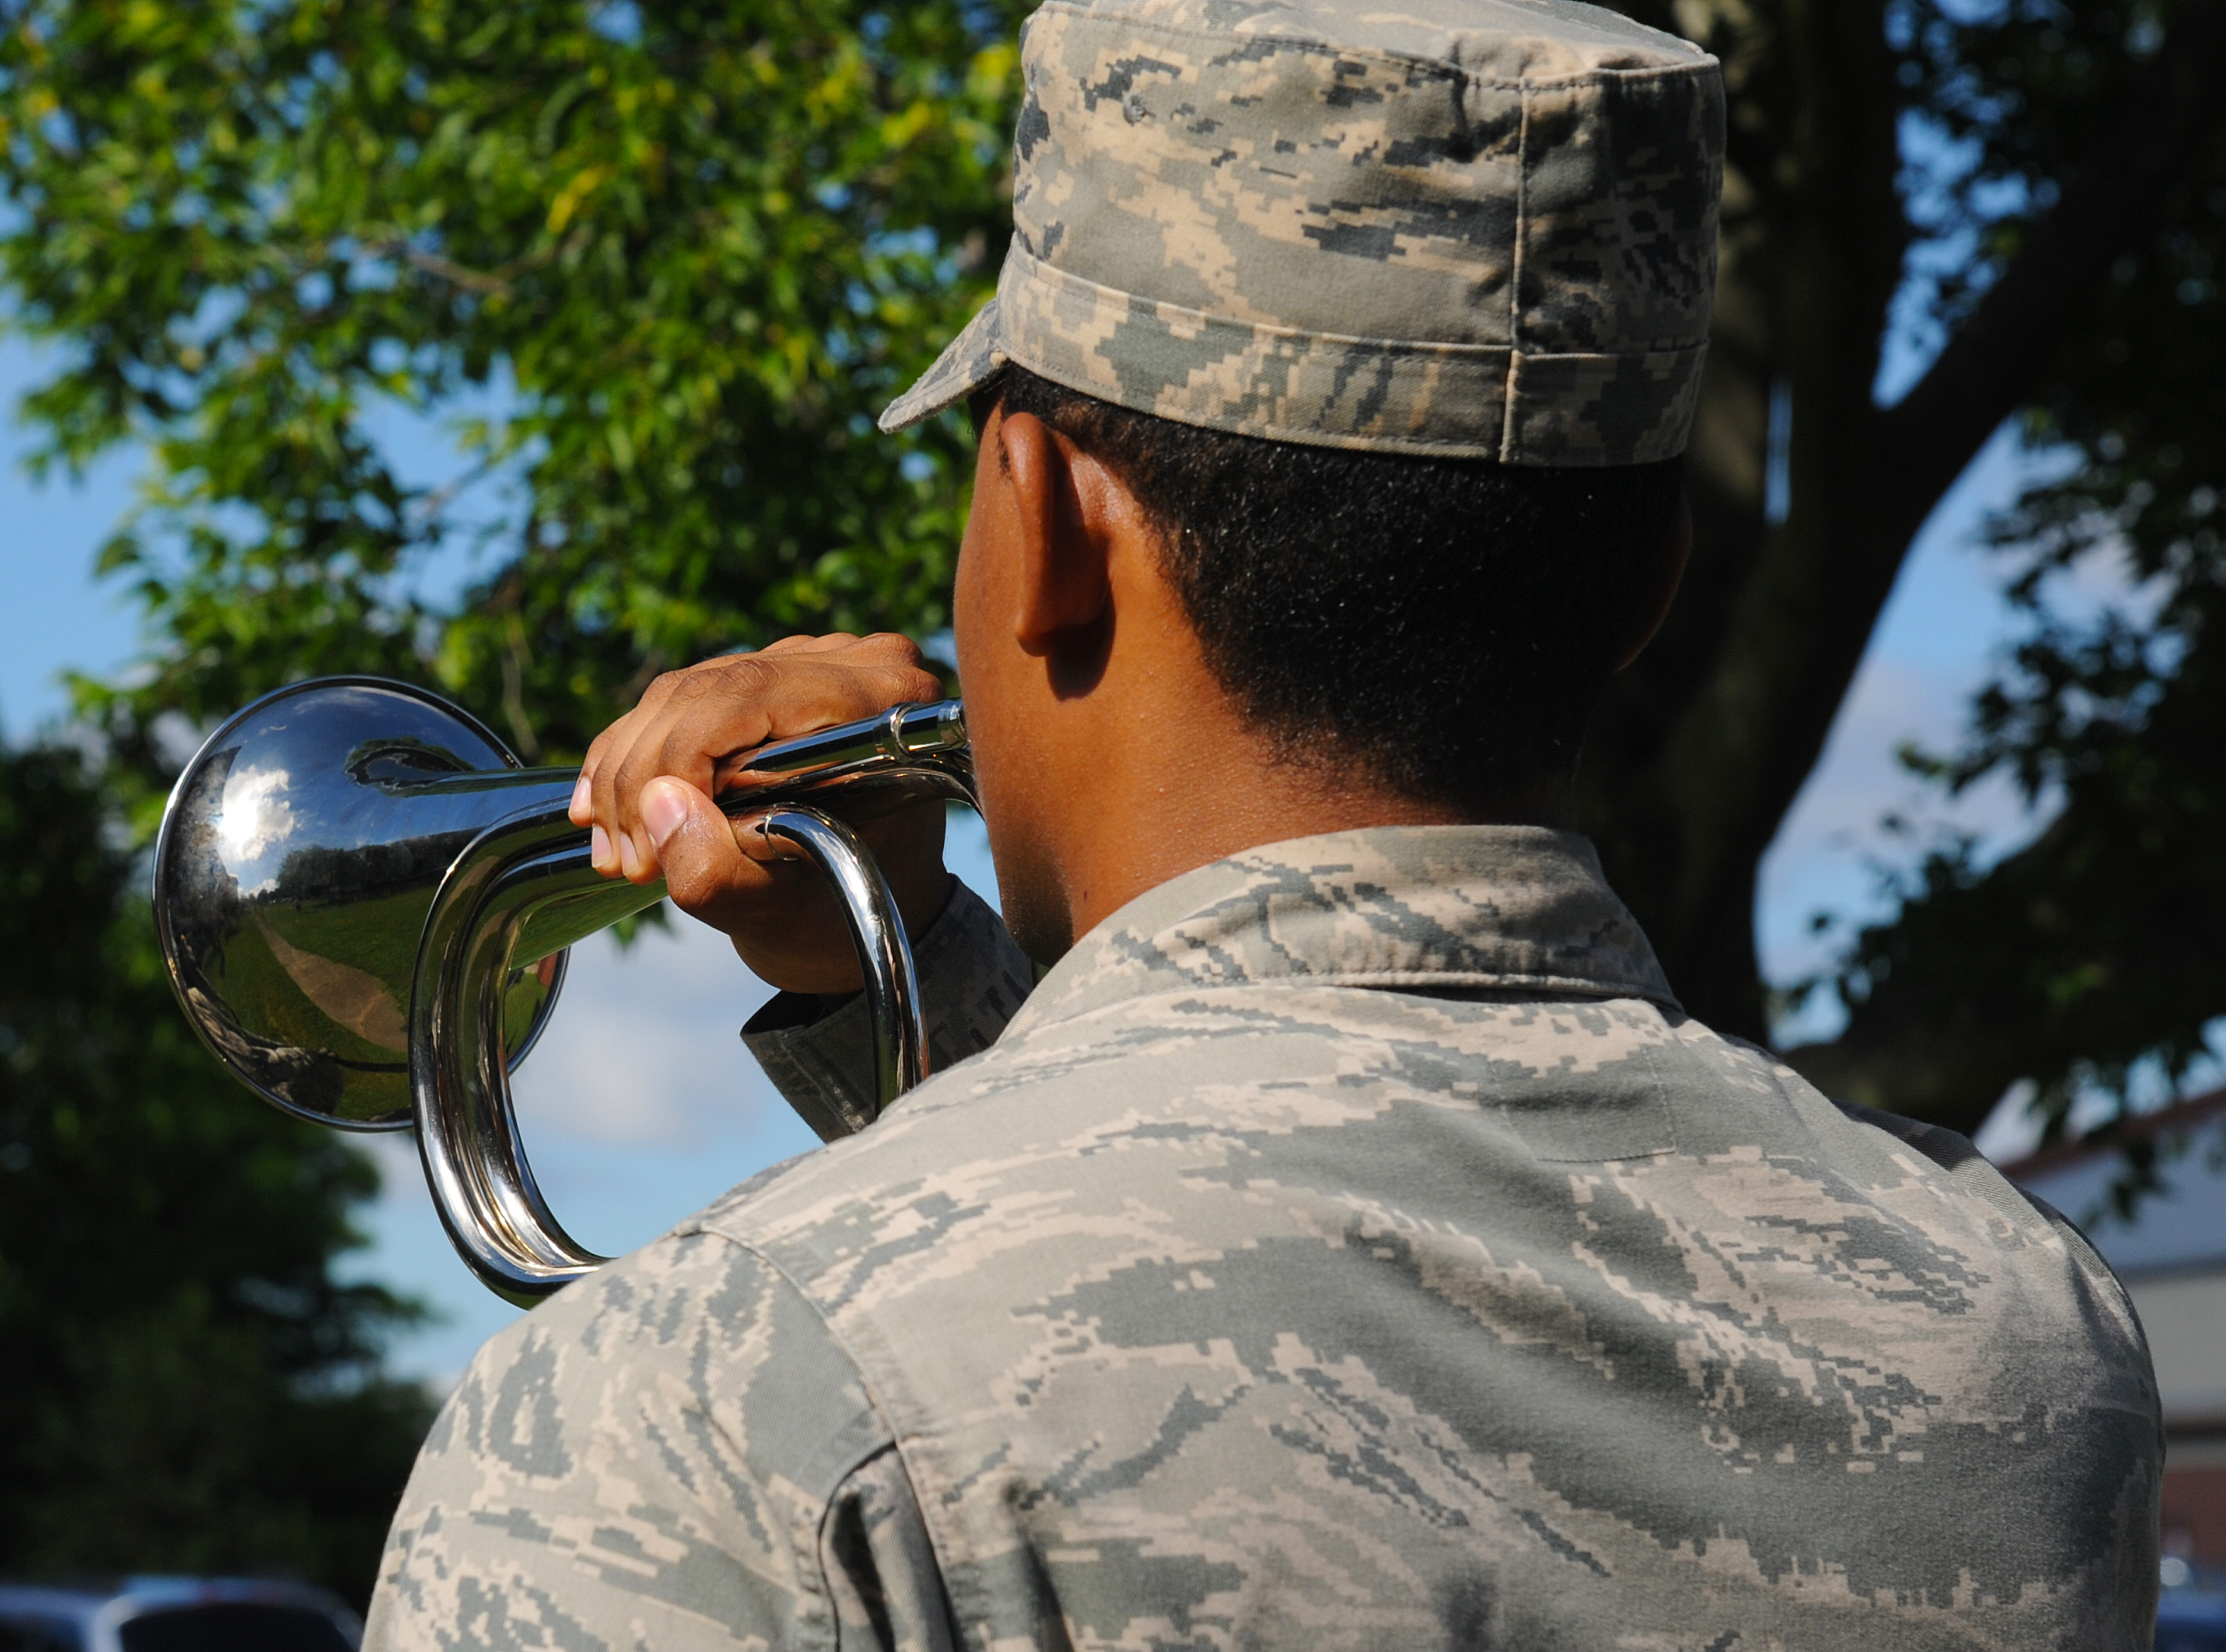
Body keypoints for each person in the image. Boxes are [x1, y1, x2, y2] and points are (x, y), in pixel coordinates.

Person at [362, 0, 2162, 1646]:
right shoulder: (2020, 1339)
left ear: (1044, 520)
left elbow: (1137, 1263)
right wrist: (887, 978)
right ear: (1647, 591)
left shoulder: (696, 1418)